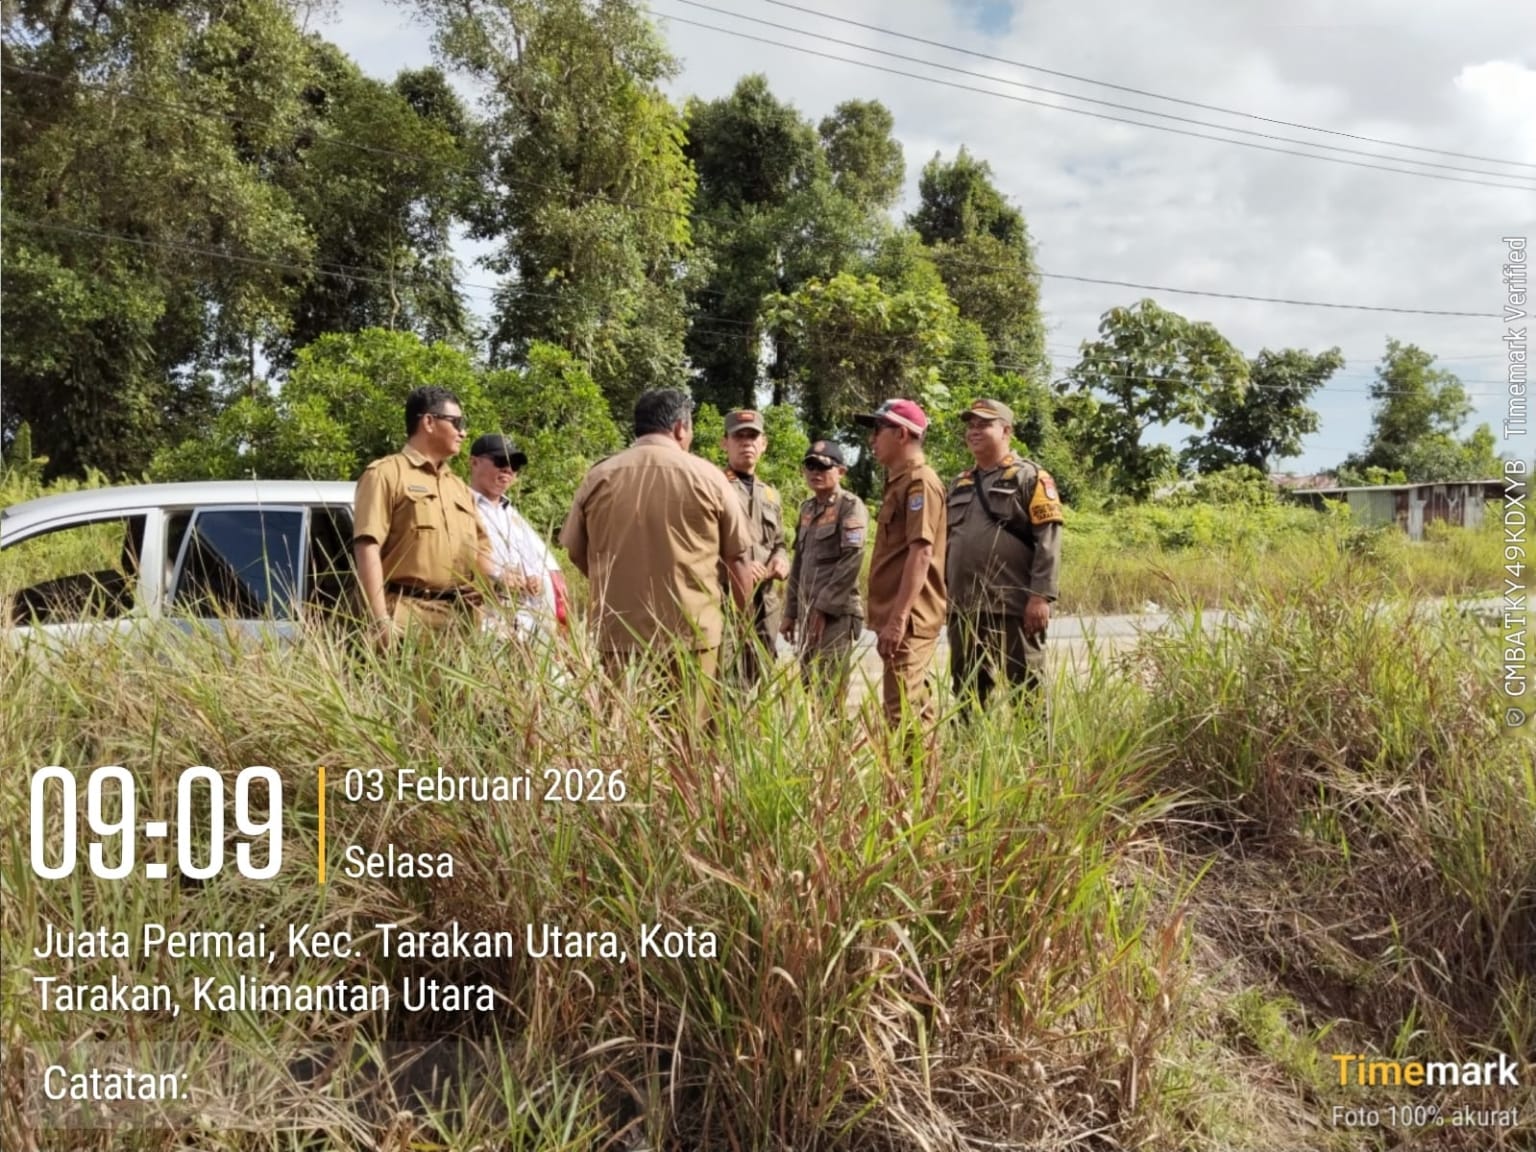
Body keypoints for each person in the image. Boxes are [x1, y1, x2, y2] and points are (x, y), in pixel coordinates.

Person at [560, 388, 754, 705]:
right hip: (693, 636)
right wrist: (744, 625)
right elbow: (738, 560)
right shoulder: (709, 477)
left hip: (619, 635)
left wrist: (616, 585)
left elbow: (576, 553)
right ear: (680, 428)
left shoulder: (599, 476)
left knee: (623, 728)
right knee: (690, 729)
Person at [945, 399, 1064, 711]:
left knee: (1026, 690)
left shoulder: (1030, 477)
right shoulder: (959, 483)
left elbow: (1049, 541)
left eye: (984, 424)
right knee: (967, 691)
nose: (974, 431)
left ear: (1006, 431)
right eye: (971, 425)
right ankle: (970, 743)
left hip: (1012, 605)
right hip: (964, 607)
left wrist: (1040, 597)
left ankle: (1034, 745)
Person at [353, 386, 494, 642]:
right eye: (457, 423)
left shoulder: (458, 487)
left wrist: (484, 585)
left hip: (459, 621)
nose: (463, 432)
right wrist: (379, 621)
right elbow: (367, 547)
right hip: (406, 615)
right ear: (428, 422)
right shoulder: (386, 474)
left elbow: (482, 549)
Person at [852, 398, 948, 730]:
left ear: (902, 434)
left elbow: (921, 553)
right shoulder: (900, 481)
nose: (872, 440)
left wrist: (898, 619)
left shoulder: (920, 482)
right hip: (898, 616)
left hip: (909, 619)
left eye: (878, 430)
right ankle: (927, 765)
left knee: (901, 712)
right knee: (915, 706)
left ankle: (910, 767)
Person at [780, 439, 868, 707]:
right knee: (809, 686)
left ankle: (836, 735)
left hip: (835, 615)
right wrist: (790, 612)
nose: (815, 472)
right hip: (807, 612)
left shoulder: (849, 506)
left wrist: (824, 607)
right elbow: (799, 562)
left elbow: (852, 560)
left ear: (840, 471)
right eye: (810, 466)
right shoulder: (807, 509)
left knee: (830, 690)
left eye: (823, 466)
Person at [465, 433, 569, 641]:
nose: (508, 470)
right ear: (474, 462)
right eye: (500, 461)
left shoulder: (513, 515)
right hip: (483, 622)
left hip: (524, 624)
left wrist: (533, 579)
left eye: (514, 465)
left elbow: (535, 564)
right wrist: (497, 577)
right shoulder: (460, 507)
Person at [718, 409, 790, 687]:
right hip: (727, 601)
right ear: (725, 443)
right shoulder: (715, 486)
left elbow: (779, 543)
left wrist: (781, 560)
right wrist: (738, 567)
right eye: (739, 437)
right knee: (725, 678)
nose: (746, 443)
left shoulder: (770, 494)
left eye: (752, 437)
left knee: (761, 677)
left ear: (764, 444)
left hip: (766, 603)